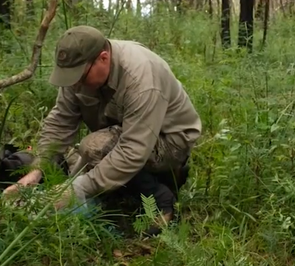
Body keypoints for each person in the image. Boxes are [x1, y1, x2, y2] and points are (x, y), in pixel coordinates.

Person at [2, 25, 202, 236]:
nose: (75, 84)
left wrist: (77, 189)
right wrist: (37, 170)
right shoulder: (79, 70)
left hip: (169, 142)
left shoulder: (141, 78)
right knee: (78, 161)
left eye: (80, 77)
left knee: (93, 148)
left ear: (103, 58)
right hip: (119, 135)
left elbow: (133, 149)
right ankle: (121, 188)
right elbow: (61, 121)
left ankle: (161, 197)